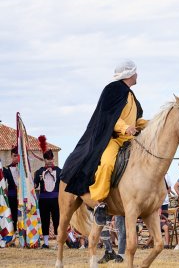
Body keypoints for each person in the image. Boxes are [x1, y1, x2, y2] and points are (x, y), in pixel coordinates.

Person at [60, 60, 147, 225]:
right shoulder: (112, 90)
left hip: (131, 140)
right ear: (129, 74)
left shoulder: (130, 94)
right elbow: (108, 116)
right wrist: (124, 127)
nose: (137, 75)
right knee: (107, 163)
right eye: (135, 72)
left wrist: (151, 124)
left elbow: (137, 120)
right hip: (114, 138)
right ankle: (99, 202)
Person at [34, 136, 61, 249]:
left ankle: (58, 243)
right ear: (44, 160)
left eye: (51, 159)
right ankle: (45, 243)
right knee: (44, 220)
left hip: (56, 200)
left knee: (57, 220)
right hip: (43, 200)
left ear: (53, 159)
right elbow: (35, 186)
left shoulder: (60, 171)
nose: (49, 161)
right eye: (47, 159)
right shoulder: (39, 171)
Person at [2, 146, 20, 231]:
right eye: (15, 155)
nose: (16, 157)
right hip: (11, 196)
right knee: (12, 216)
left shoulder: (25, 169)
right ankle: (13, 236)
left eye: (18, 155)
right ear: (11, 156)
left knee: (22, 216)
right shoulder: (6, 169)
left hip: (22, 197)